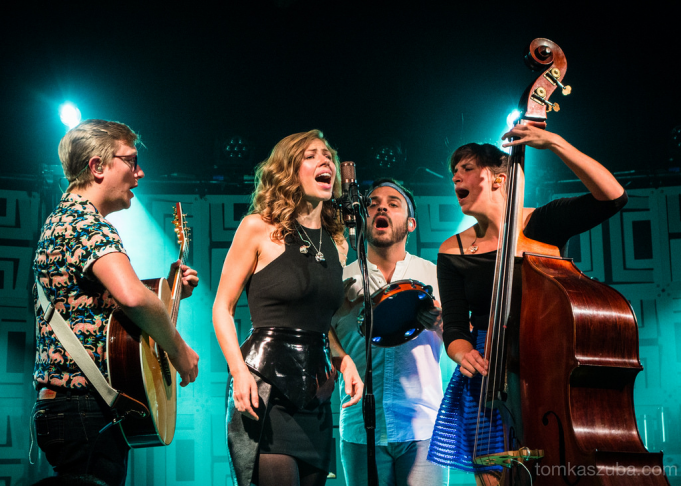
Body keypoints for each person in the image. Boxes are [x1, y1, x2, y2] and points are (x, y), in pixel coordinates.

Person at [426, 123, 628, 485]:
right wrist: (461, 353)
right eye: (453, 172)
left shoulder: (542, 223)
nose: (456, 177)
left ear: (501, 178)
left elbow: (613, 197)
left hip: (544, 366)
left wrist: (554, 142)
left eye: (467, 169)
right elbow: (456, 327)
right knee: (493, 476)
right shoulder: (452, 250)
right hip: (488, 372)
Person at [32, 119, 200, 486]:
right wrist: (178, 349)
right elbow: (131, 297)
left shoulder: (63, 219)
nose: (139, 173)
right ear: (97, 167)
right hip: (83, 408)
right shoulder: (85, 222)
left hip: (71, 409)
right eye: (131, 161)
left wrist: (171, 293)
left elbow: (106, 306)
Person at [212, 129, 364, 486]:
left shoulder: (338, 242)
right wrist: (238, 371)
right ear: (288, 171)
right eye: (311, 156)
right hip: (266, 387)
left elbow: (316, 320)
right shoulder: (258, 228)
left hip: (315, 392)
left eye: (328, 155)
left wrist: (343, 359)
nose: (325, 161)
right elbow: (222, 306)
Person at [332, 178, 447, 486]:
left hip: (423, 428)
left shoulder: (435, 275)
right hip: (359, 429)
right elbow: (317, 334)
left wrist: (443, 324)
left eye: (393, 203)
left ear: (411, 224)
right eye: (372, 203)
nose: (380, 206)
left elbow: (466, 341)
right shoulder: (341, 279)